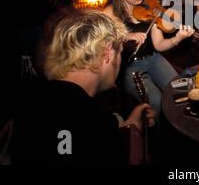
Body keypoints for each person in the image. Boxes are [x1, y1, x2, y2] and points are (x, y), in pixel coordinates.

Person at [8, 9, 154, 164]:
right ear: (107, 53)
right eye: (120, 54)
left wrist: (129, 125)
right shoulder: (94, 125)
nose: (120, 62)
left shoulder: (29, 98)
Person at [103, 0, 194, 115]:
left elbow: (159, 45)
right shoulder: (110, 12)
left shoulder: (149, 5)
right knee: (156, 101)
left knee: (180, 89)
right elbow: (102, 40)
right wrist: (126, 36)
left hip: (153, 58)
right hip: (129, 67)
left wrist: (177, 38)